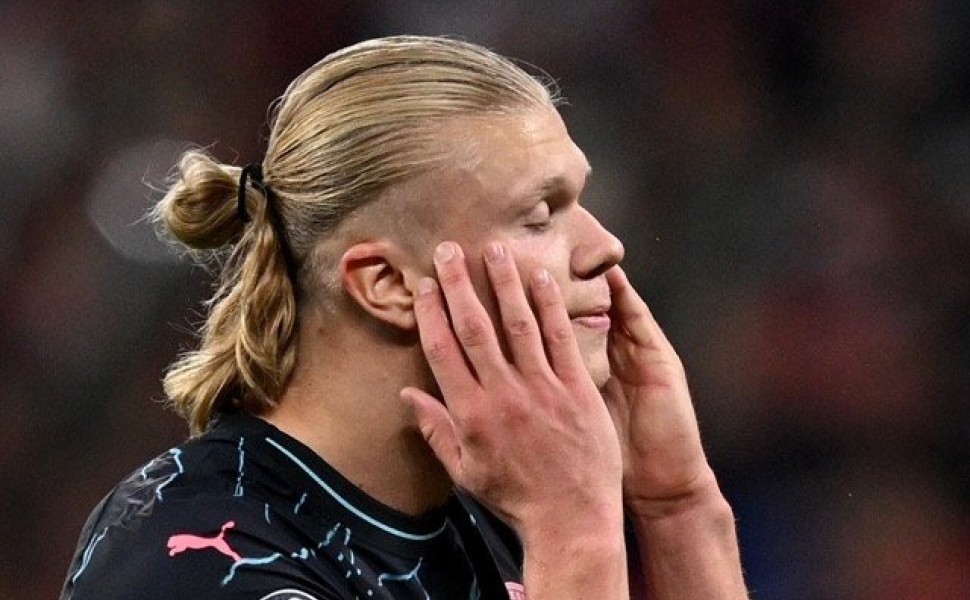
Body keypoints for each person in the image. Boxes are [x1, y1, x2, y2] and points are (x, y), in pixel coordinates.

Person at [60, 35, 747, 599]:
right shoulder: (199, 557)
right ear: (385, 283)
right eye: (539, 217)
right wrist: (575, 535)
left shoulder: (490, 511)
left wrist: (677, 509)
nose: (605, 248)